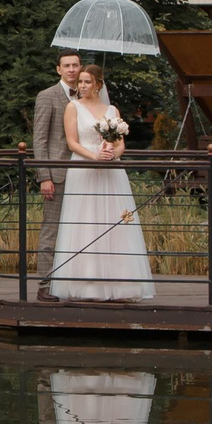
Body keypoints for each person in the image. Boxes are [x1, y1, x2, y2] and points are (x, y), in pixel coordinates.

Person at [48, 64, 155, 302]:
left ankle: (120, 282)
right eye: (80, 82)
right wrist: (94, 155)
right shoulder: (72, 107)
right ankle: (86, 283)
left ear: (98, 84)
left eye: (87, 82)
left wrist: (112, 153)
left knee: (114, 221)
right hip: (85, 169)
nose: (82, 86)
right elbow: (72, 142)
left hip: (111, 172)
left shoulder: (111, 110)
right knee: (86, 221)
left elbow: (120, 145)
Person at [30, 51, 83, 283]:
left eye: (75, 65)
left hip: (85, 172)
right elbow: (39, 139)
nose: (71, 69)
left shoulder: (88, 95)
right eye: (67, 65)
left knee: (82, 226)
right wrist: (44, 176)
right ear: (58, 69)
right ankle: (45, 282)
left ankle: (75, 280)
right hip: (57, 174)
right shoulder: (47, 96)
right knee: (51, 228)